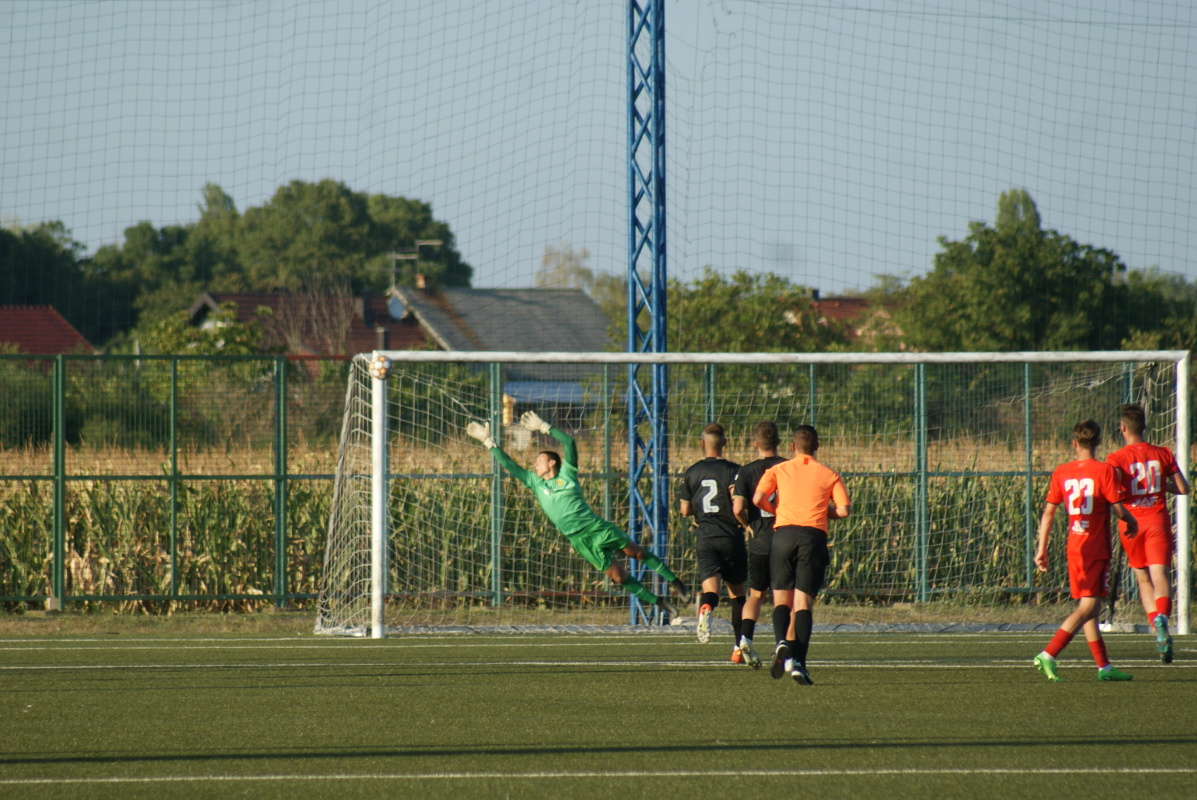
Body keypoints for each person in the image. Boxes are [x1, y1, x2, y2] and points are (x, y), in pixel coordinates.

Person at [467, 411, 689, 617]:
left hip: (596, 527)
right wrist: (489, 442)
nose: (534, 463)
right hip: (579, 539)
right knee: (619, 577)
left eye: (539, 459)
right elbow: (509, 465)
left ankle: (677, 583)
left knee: (637, 553)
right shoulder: (534, 482)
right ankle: (660, 602)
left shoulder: (567, 473)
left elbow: (569, 442)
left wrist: (544, 426)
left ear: (552, 462)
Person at [1033, 419, 1138, 682]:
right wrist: (1132, 520)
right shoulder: (1104, 471)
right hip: (1095, 548)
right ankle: (1048, 654)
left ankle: (1104, 666)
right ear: (1099, 442)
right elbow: (1117, 508)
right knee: (1090, 606)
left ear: (1074, 443)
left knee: (1089, 607)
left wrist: (1041, 549)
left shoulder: (1061, 472)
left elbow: (1048, 513)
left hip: (1074, 547)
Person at [753, 424, 850, 686]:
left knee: (781, 599)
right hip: (813, 537)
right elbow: (843, 510)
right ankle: (799, 664)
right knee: (803, 603)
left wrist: (774, 509)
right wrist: (824, 513)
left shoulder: (779, 469)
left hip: (783, 534)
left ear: (793, 447)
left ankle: (781, 642)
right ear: (817, 447)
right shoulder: (830, 475)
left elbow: (757, 498)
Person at [1106, 403, 1189, 663]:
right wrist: (1158, 486)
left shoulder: (1116, 458)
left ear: (1123, 428)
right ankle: (1164, 617)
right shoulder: (1163, 453)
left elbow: (1113, 492)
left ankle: (1156, 625)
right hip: (1157, 521)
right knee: (1161, 575)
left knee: (1143, 580)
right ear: (1144, 427)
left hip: (1130, 524)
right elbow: (1183, 488)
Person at [678, 423, 744, 652]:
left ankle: (706, 607)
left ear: (701, 443)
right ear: (725, 443)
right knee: (737, 595)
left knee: (711, 591)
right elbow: (738, 504)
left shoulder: (692, 471)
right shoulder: (734, 470)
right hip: (730, 536)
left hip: (705, 537)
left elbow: (684, 510)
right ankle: (739, 647)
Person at [731, 421, 788, 669]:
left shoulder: (746, 471)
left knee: (755, 595)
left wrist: (746, 525)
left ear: (756, 443)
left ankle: (745, 638)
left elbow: (737, 508)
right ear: (779, 442)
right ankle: (782, 642)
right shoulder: (788, 467)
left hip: (759, 541)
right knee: (784, 596)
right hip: (786, 539)